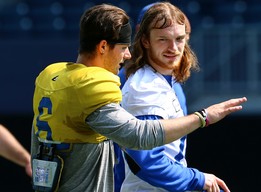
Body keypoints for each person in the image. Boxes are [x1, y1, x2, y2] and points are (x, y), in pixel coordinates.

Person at [30, 3, 247, 192]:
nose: (127, 55)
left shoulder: (53, 76)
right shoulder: (96, 86)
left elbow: (36, 140)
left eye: (181, 38)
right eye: (124, 47)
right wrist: (204, 117)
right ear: (103, 46)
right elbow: (139, 138)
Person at [120, 2, 232, 192]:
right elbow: (148, 162)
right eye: (163, 39)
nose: (173, 48)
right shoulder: (145, 89)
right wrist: (198, 179)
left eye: (179, 39)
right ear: (145, 40)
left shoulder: (162, 80)